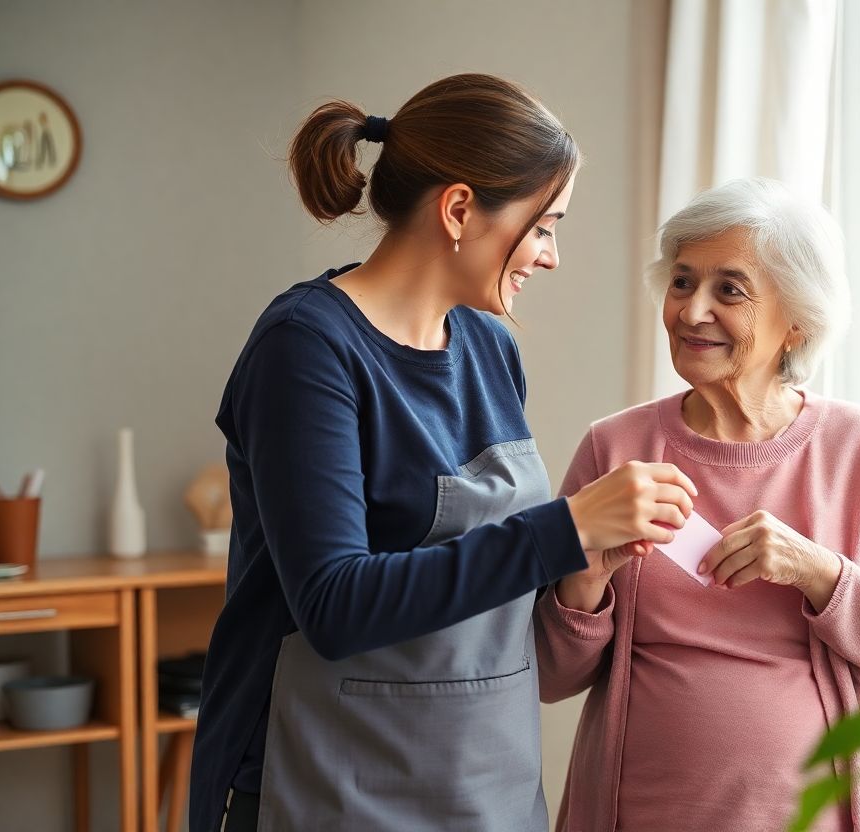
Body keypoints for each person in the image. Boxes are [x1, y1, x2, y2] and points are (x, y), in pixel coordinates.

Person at [189, 73, 696, 832]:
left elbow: (491, 580)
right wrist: (566, 528)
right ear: (460, 209)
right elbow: (333, 604)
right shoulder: (307, 348)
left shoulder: (491, 346)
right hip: (325, 784)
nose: (551, 255)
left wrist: (586, 564)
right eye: (545, 225)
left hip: (485, 786)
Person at [535, 178, 860, 831]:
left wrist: (817, 572)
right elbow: (546, 675)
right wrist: (586, 580)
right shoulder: (615, 447)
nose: (691, 312)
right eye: (682, 282)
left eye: (729, 289)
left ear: (796, 321)